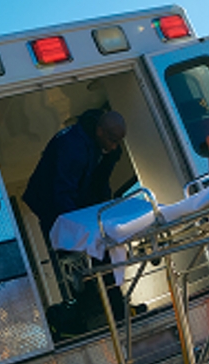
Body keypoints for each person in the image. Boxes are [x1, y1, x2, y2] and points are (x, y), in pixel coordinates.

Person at [22, 109, 134, 324]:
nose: (114, 146)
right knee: (76, 260)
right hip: (50, 206)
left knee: (103, 252)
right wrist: (80, 229)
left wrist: (104, 217)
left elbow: (101, 185)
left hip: (76, 200)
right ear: (99, 131)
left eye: (118, 142)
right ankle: (92, 312)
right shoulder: (72, 146)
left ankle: (116, 308)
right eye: (111, 140)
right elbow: (62, 192)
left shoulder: (108, 148)